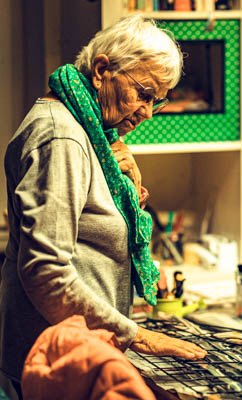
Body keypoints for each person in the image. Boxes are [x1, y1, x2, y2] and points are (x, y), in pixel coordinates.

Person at [0, 15, 207, 395]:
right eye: (144, 94)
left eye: (157, 102)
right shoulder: (61, 138)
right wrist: (137, 335)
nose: (147, 112)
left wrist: (124, 188)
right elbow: (45, 270)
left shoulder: (89, 133)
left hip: (75, 355)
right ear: (101, 71)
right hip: (56, 365)